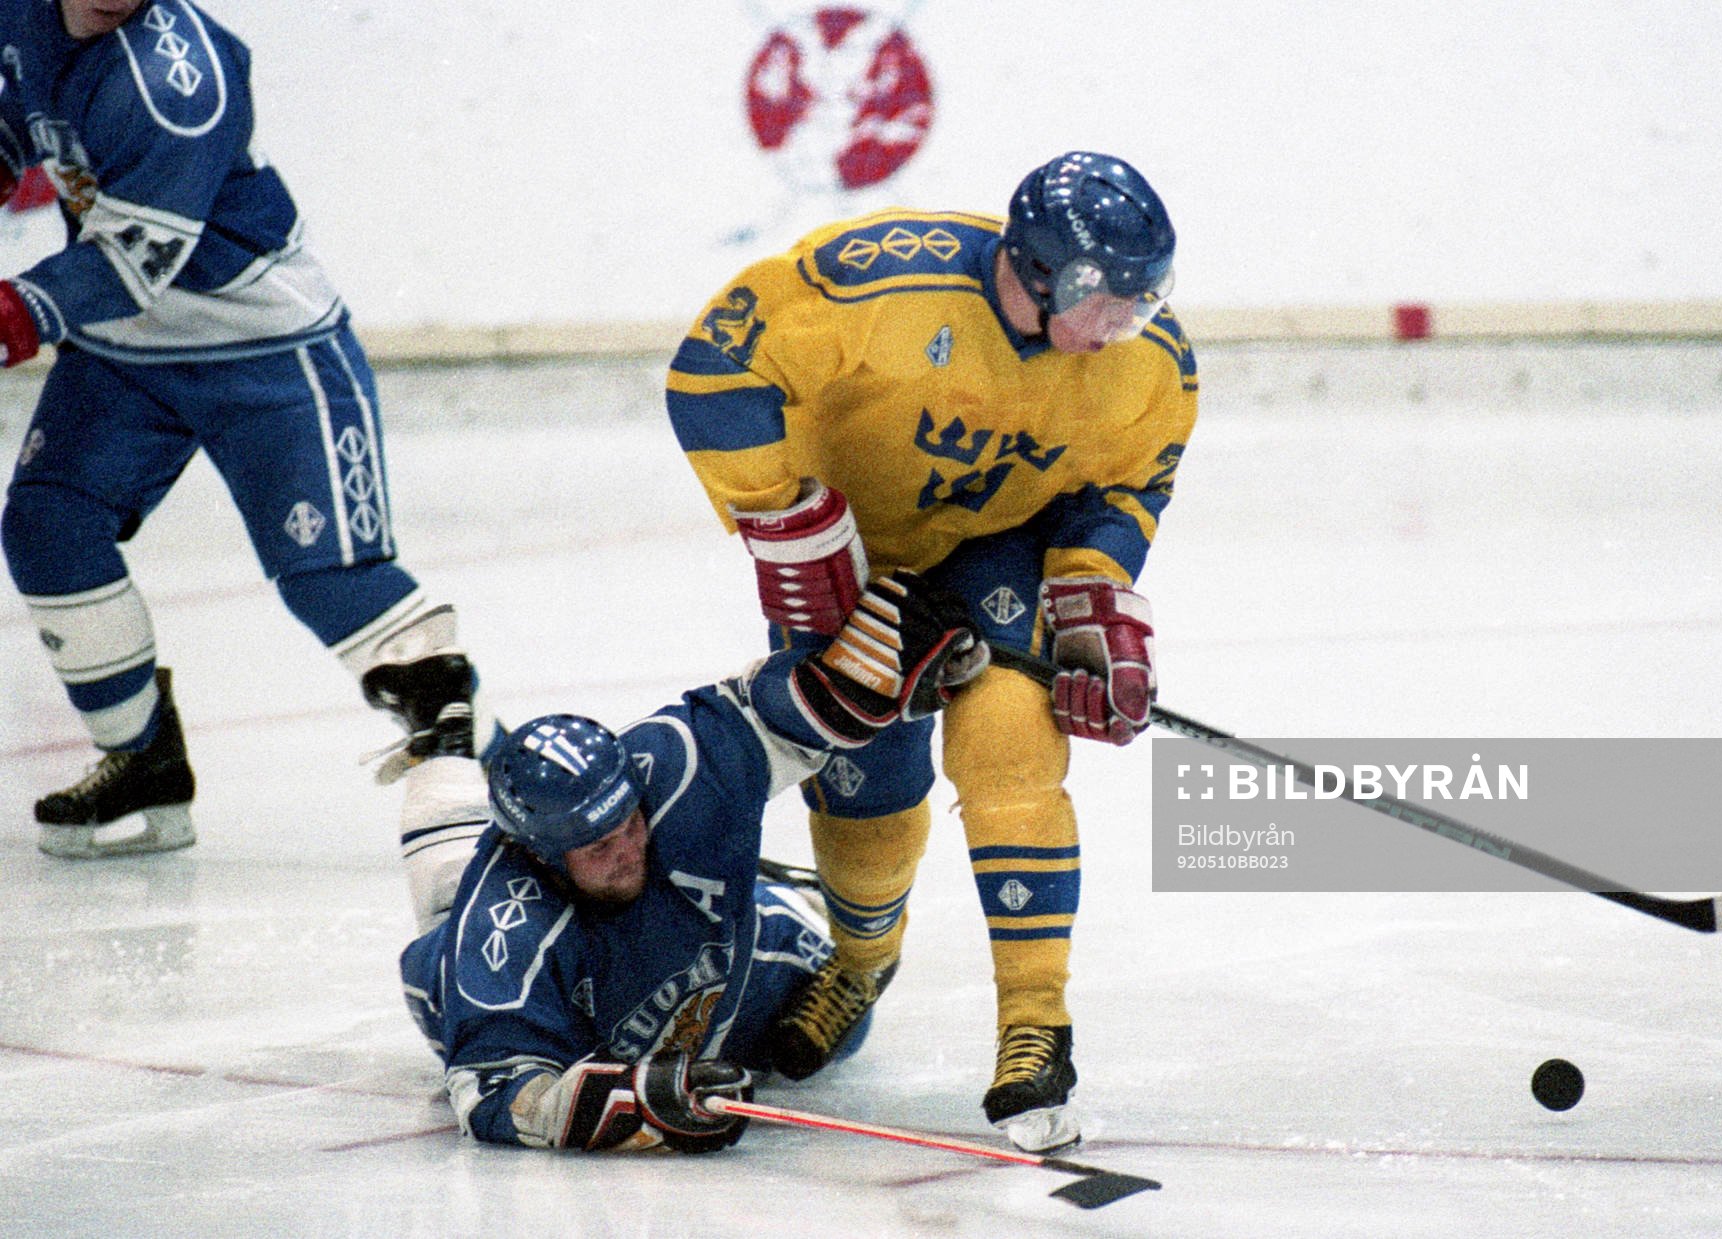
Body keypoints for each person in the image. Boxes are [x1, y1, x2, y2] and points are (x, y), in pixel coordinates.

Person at [664, 151, 1196, 1151]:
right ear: (1041, 274)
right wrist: (796, 537)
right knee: (865, 789)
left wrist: (1090, 600)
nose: (1128, 321)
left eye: (1145, 295)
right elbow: (713, 373)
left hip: (1002, 549)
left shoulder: (1148, 361)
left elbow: (1131, 485)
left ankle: (1035, 1024)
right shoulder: (883, 282)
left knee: (1011, 756)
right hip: (856, 558)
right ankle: (861, 964)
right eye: (1108, 297)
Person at [0, 0, 488, 858]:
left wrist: (17, 310)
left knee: (334, 581)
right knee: (48, 526)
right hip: (124, 352)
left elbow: (133, 261)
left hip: (264, 348)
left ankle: (498, 797)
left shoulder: (177, 79)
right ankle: (141, 760)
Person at [395, 572, 985, 1150]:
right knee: (449, 901)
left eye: (629, 824)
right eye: (599, 847)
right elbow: (497, 1094)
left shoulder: (668, 768)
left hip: (714, 976)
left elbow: (761, 715)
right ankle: (442, 738)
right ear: (542, 857)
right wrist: (629, 1101)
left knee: (847, 1025)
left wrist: (854, 681)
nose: (629, 852)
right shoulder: (501, 936)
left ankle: (770, 889)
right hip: (559, 1013)